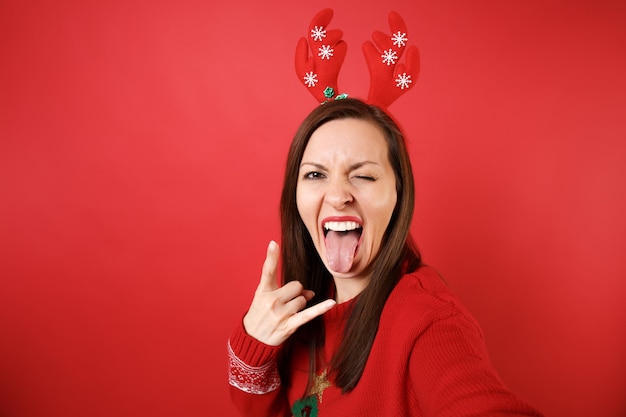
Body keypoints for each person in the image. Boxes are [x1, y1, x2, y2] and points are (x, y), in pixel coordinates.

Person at [227, 98, 544, 416]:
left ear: (398, 193)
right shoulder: (305, 309)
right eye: (315, 175)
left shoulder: (428, 320)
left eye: (363, 176)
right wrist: (256, 345)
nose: (338, 196)